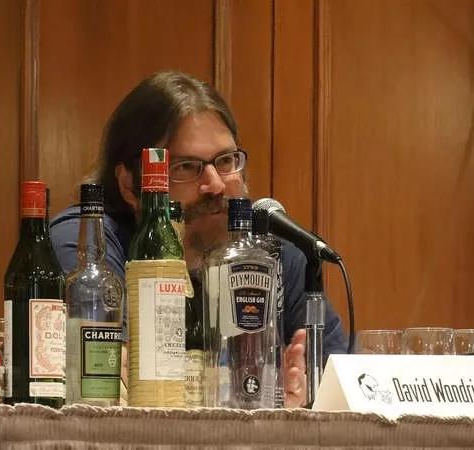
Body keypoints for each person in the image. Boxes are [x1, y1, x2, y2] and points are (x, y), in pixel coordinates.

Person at [50, 71, 347, 407]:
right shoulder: (89, 242)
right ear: (130, 185)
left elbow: (339, 383)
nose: (216, 185)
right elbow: (109, 383)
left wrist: (304, 395)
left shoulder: (272, 253)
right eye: (186, 167)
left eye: (226, 161)